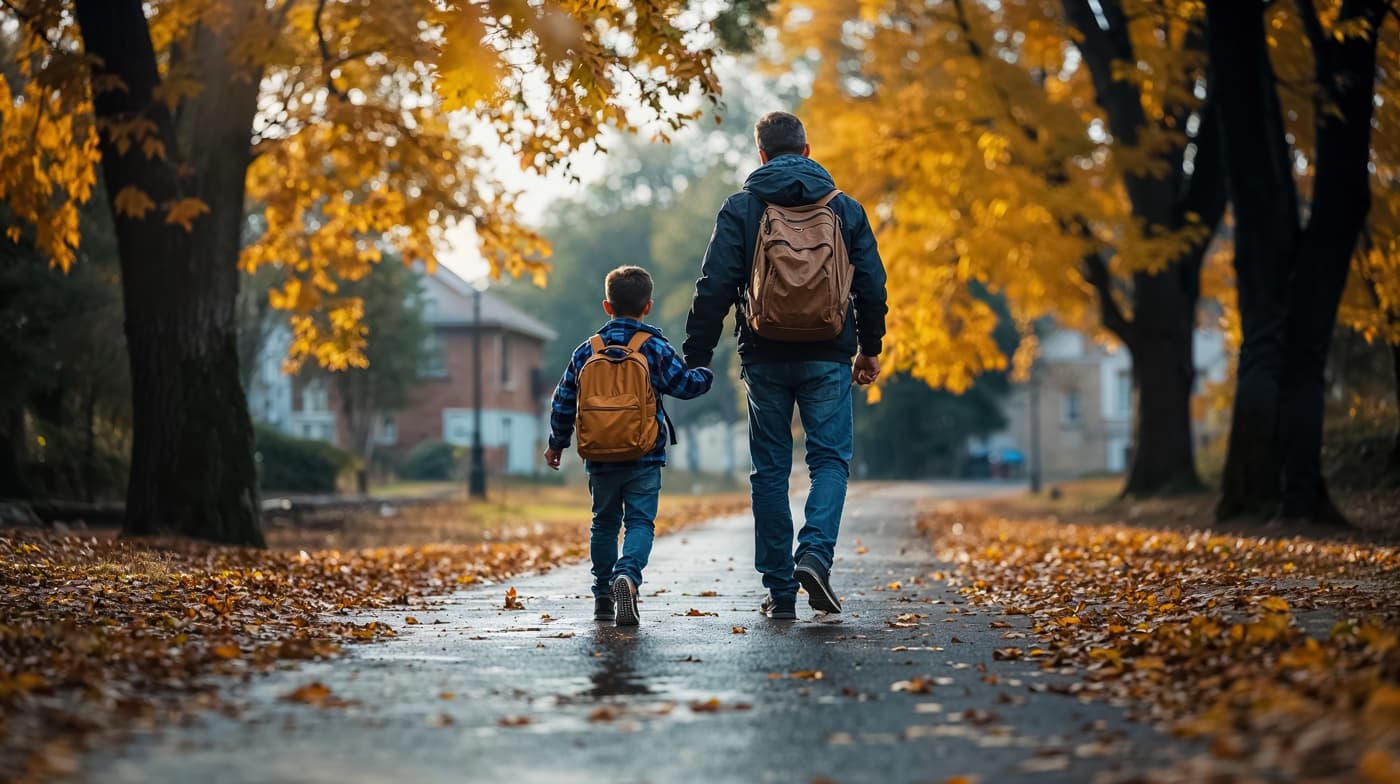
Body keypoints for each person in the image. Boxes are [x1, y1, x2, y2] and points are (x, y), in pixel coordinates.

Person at [683, 111, 888, 620]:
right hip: (828, 352)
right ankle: (814, 554)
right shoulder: (845, 209)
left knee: (770, 470)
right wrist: (869, 347)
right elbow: (871, 283)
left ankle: (779, 590)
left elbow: (714, 286)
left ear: (762, 155)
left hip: (764, 352)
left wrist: (698, 356)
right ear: (807, 150)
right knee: (830, 461)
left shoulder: (743, 207)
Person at [545, 265, 714, 626]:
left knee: (604, 524)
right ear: (647, 306)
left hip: (599, 456)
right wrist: (705, 372)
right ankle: (628, 575)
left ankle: (603, 598)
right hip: (644, 455)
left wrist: (557, 443)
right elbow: (685, 385)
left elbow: (563, 400)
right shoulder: (653, 347)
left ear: (607, 306)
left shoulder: (586, 351)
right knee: (639, 522)